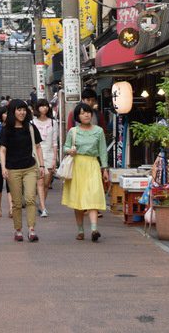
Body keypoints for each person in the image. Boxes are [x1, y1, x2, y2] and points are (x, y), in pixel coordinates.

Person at [61, 103, 108, 241]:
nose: (86, 115)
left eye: (88, 112)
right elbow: (65, 147)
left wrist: (104, 169)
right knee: (78, 199)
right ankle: (80, 230)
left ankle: (94, 229)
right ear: (77, 116)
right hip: (77, 165)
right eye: (82, 113)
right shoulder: (73, 131)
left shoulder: (99, 131)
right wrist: (70, 150)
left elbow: (103, 151)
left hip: (93, 164)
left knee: (93, 196)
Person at [0, 99, 45, 242]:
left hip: (30, 167)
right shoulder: (6, 130)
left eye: (24, 110)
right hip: (13, 169)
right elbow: (2, 149)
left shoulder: (31, 128)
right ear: (13, 112)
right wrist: (3, 167)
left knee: (31, 198)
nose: (22, 112)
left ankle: (31, 229)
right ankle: (18, 230)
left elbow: (37, 146)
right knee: (17, 202)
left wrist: (42, 166)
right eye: (19, 110)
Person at [32, 99, 60, 218]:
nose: (44, 108)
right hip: (35, 153)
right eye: (41, 106)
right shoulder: (32, 122)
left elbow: (54, 142)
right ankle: (43, 207)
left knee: (46, 183)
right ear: (37, 108)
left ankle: (41, 204)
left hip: (49, 154)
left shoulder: (53, 123)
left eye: (46, 106)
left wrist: (55, 158)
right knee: (40, 180)